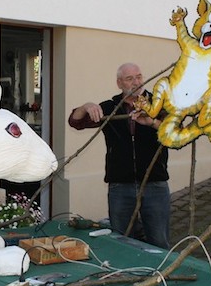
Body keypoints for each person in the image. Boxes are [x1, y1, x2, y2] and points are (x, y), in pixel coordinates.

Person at [68, 62, 171, 249]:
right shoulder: (110, 108)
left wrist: (151, 122)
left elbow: (174, 133)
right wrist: (86, 106)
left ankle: (160, 276)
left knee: (159, 241)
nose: (136, 82)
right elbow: (75, 122)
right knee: (122, 241)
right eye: (129, 78)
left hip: (155, 184)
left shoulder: (158, 104)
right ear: (119, 83)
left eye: (139, 77)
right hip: (121, 187)